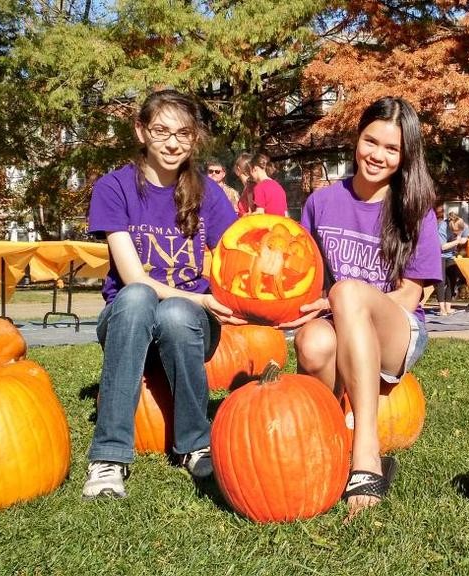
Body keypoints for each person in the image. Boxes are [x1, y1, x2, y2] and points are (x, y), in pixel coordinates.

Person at [82, 89, 243, 500]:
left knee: (173, 313)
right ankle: (109, 456)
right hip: (128, 323)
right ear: (141, 131)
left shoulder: (207, 193)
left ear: (194, 139)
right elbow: (133, 276)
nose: (173, 143)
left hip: (189, 328)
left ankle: (195, 444)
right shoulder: (113, 188)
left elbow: (242, 256)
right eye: (161, 131)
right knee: (137, 296)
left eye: (184, 134)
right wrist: (204, 299)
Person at [284, 96, 440, 518]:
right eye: (371, 142)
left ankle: (366, 452)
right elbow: (306, 273)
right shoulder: (322, 202)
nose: (378, 155)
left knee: (349, 292)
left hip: (397, 331)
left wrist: (346, 304)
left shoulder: (415, 208)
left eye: (392, 149)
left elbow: (411, 294)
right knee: (314, 342)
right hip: (338, 322)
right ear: (356, 140)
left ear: (406, 155)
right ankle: (321, 439)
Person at [235, 152, 288, 217]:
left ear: (255, 169)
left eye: (250, 171)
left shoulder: (259, 187)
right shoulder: (279, 186)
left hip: (268, 225)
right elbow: (286, 214)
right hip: (280, 225)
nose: (250, 175)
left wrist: (247, 216)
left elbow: (260, 213)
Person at [436, 205, 464, 316]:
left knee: (452, 281)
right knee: (441, 282)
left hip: (452, 256)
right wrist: (457, 241)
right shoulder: (442, 227)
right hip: (440, 256)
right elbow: (442, 247)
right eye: (456, 232)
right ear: (451, 228)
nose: (458, 233)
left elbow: (465, 235)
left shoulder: (460, 223)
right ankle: (442, 308)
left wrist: (463, 237)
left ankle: (448, 307)